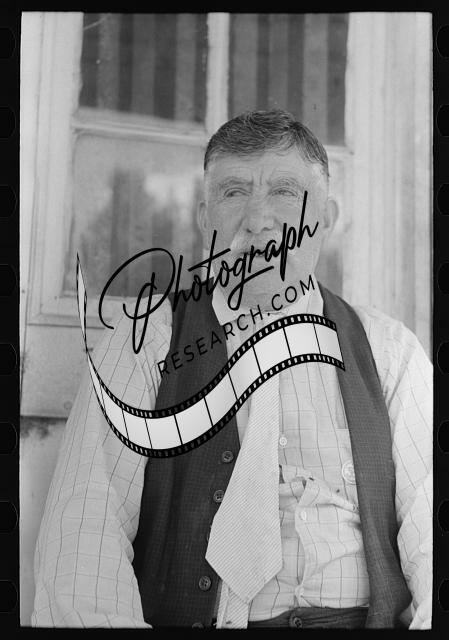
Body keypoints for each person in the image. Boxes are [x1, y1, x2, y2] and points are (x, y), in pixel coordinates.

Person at [31, 110, 432, 629]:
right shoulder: (142, 344)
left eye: (285, 192)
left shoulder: (389, 352)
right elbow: (84, 543)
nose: (258, 219)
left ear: (326, 219)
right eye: (234, 192)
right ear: (205, 219)